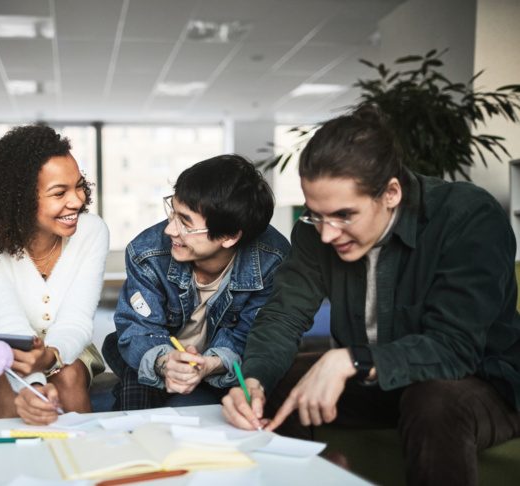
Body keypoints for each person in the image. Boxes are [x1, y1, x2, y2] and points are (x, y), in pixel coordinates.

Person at [222, 106, 520, 485]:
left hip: (482, 382)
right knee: (280, 378)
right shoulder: (316, 232)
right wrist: (253, 383)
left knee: (432, 400)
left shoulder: (468, 217)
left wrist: (351, 360)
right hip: (379, 381)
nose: (328, 234)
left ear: (391, 193)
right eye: (317, 214)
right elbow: (283, 315)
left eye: (345, 215)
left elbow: (456, 348)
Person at [0, 124, 108, 425]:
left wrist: (52, 356)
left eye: (79, 186)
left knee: (70, 377)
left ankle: (85, 467)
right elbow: (7, 320)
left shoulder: (92, 232)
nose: (77, 201)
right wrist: (33, 384)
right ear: (19, 199)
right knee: (13, 388)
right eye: (59, 192)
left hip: (67, 340)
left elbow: (76, 318)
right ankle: (10, 472)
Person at [103, 154, 290, 411]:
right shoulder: (147, 251)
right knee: (135, 385)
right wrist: (166, 362)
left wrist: (209, 365)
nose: (170, 230)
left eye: (185, 223)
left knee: (244, 401)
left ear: (229, 236)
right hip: (158, 347)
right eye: (173, 213)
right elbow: (139, 329)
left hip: (223, 359)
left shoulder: (272, 258)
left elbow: (253, 338)